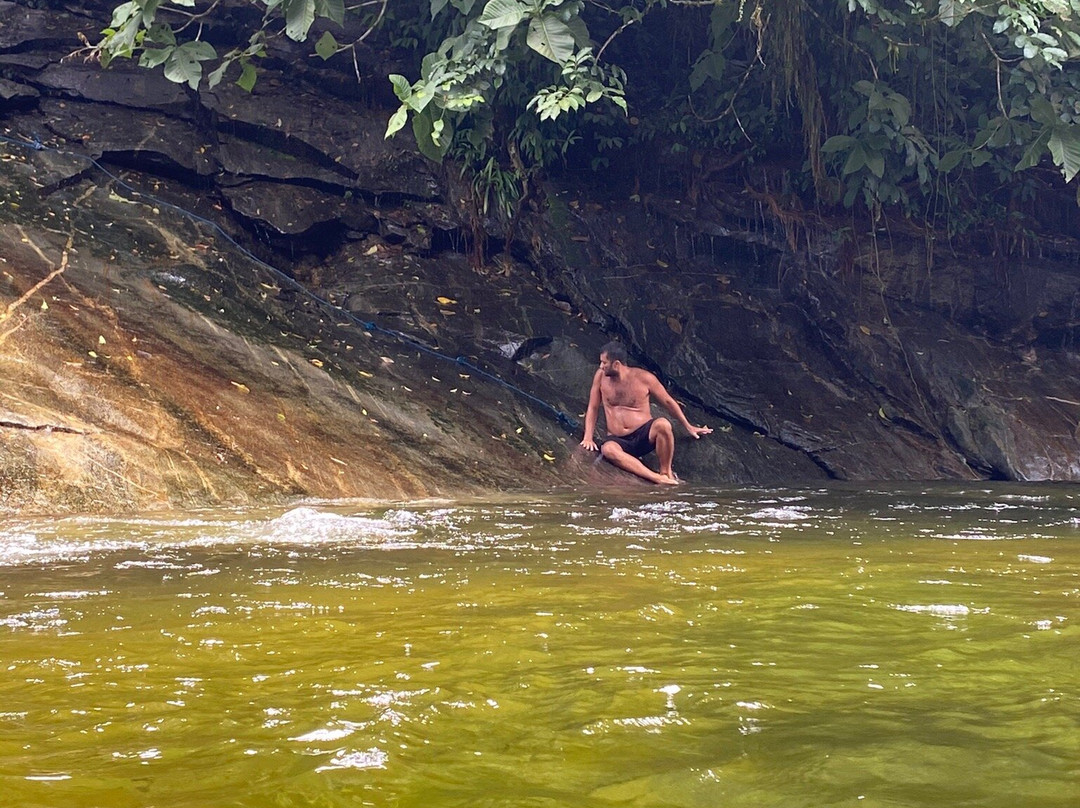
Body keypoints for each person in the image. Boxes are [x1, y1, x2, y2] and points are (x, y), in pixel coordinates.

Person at [580, 341, 712, 485]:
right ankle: (655, 477)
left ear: (616, 364)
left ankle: (665, 472)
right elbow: (593, 407)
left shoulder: (644, 378)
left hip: (644, 436)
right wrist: (588, 437)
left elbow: (668, 401)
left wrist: (688, 426)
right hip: (619, 440)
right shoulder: (600, 377)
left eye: (604, 363)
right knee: (608, 449)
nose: (601, 366)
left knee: (663, 424)